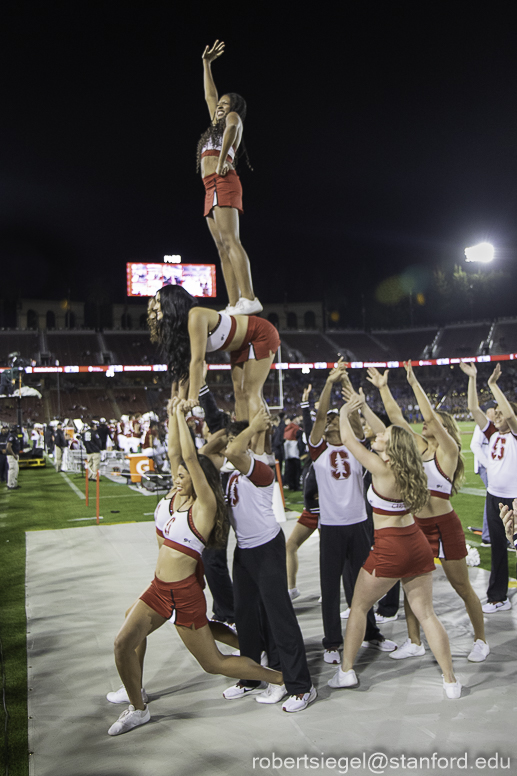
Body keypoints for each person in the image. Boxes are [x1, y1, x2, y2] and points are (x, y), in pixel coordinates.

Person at [107, 399, 284, 736]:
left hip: (182, 594)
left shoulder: (205, 506)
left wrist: (179, 416)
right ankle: (138, 705)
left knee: (213, 663)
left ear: (199, 478)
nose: (177, 476)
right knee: (123, 641)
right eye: (176, 473)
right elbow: (179, 453)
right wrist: (173, 414)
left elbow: (190, 457)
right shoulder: (175, 498)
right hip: (158, 589)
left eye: (184, 475)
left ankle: (280, 678)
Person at [327, 398, 461, 700]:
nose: (378, 435)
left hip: (390, 549)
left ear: (392, 446)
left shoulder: (381, 468)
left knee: (359, 607)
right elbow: (376, 434)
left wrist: (346, 411)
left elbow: (348, 438)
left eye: (384, 435)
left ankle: (346, 671)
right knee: (427, 615)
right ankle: (451, 681)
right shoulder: (411, 466)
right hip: (417, 544)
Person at [368, 364, 488, 663]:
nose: (423, 424)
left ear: (443, 429)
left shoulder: (447, 452)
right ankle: (414, 641)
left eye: (429, 423)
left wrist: (414, 381)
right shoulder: (417, 449)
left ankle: (481, 639)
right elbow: (395, 419)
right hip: (416, 525)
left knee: (462, 586)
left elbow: (431, 416)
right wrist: (383, 388)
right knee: (413, 585)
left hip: (444, 525)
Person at [222, 407, 316, 712]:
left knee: (279, 617)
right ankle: (252, 678)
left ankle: (301, 686)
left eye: (234, 439)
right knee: (245, 616)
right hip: (244, 550)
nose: (228, 445)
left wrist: (253, 427)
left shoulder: (260, 468)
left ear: (248, 442)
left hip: (266, 548)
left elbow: (236, 449)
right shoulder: (235, 471)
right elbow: (220, 450)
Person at [309, 361, 395, 664]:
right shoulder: (318, 450)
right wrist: (330, 383)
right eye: (329, 421)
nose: (331, 422)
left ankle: (372, 633)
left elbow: (358, 424)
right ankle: (332, 641)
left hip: (359, 523)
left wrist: (349, 392)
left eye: (336, 419)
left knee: (364, 584)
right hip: (331, 526)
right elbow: (319, 414)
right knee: (330, 588)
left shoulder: (355, 448)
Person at [147, 284, 280, 423]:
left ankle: (260, 445)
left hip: (260, 333)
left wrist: (192, 398)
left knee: (250, 392)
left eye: (158, 301)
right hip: (239, 345)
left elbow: (197, 360)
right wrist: (181, 398)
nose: (155, 307)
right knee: (239, 393)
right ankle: (242, 436)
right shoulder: (181, 328)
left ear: (171, 301)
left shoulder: (195, 315)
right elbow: (184, 366)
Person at [197, 40, 261, 316]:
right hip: (209, 186)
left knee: (231, 240)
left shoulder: (233, 118)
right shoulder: (214, 120)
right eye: (220, 104)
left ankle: (250, 298)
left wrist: (222, 160)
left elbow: (233, 130)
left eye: (225, 103)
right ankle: (234, 303)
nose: (220, 105)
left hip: (225, 180)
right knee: (221, 247)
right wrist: (206, 64)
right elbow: (209, 95)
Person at [460, 361, 517, 613]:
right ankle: (497, 596)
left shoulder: (515, 433)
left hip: (514, 500)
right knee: (497, 548)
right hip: (494, 497)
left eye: (500, 412)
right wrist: (473, 378)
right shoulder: (492, 433)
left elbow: (512, 416)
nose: (497, 415)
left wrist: (493, 384)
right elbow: (473, 407)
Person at [470, 401, 497, 545]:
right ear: (488, 412)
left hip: (491, 468)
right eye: (494, 410)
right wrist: (487, 465)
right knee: (493, 500)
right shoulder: (483, 425)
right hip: (486, 468)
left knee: (494, 500)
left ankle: (491, 535)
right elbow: (474, 445)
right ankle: (487, 536)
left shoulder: (493, 426)